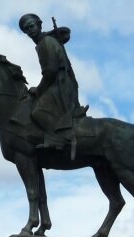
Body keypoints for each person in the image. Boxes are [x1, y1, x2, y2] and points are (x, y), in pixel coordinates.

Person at [18, 13, 86, 152]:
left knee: (37, 112)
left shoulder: (46, 42)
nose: (30, 31)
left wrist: (38, 89)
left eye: (31, 26)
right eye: (26, 29)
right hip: (60, 82)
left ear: (39, 24)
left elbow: (50, 72)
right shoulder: (45, 42)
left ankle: (60, 139)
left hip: (61, 85)